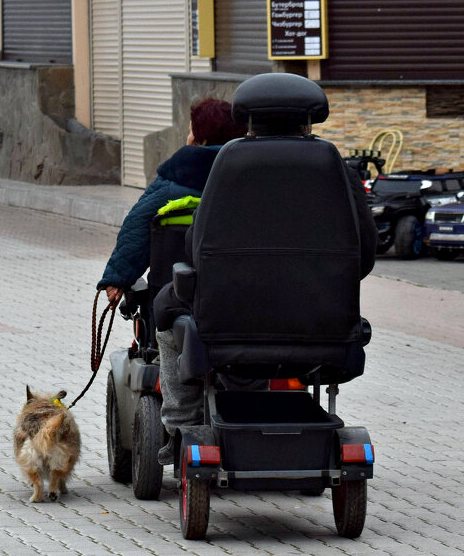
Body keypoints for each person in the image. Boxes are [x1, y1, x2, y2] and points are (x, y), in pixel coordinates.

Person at [147, 93, 378, 465]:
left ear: (250, 120)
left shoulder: (231, 161)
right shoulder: (335, 168)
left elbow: (197, 245)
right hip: (322, 325)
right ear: (309, 121)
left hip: (229, 320)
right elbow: (365, 251)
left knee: (164, 310)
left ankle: (181, 422)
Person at [96, 97, 246, 304]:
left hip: (176, 296)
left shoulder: (173, 181)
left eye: (191, 131)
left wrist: (117, 278)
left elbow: (137, 224)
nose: (188, 136)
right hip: (241, 290)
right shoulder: (251, 178)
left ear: (200, 141)